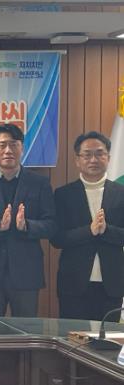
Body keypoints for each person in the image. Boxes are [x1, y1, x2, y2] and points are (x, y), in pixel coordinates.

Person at [0, 123, 55, 318]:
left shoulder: (40, 183)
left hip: (26, 273)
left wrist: (27, 226)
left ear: (22, 148)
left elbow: (51, 225)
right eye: (2, 145)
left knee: (26, 329)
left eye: (14, 144)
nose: (8, 150)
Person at [52, 131, 124, 322]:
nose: (93, 159)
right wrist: (89, 231)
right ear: (77, 160)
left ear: (108, 158)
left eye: (100, 153)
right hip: (73, 283)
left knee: (108, 337)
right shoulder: (63, 194)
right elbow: (57, 238)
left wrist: (106, 230)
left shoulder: (121, 193)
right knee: (72, 336)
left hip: (112, 283)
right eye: (87, 154)